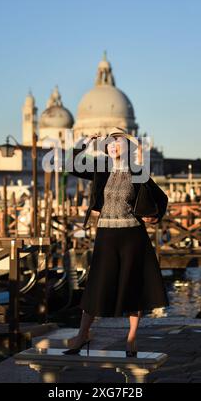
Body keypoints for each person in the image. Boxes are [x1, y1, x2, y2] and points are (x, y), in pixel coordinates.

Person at [63, 127, 169, 356]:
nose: (112, 145)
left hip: (132, 236)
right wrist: (84, 142)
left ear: (128, 147)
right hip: (106, 236)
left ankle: (131, 339)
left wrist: (155, 216)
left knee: (133, 285)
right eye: (110, 142)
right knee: (95, 285)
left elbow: (161, 198)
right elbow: (71, 165)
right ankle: (82, 335)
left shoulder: (138, 172)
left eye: (118, 142)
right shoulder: (101, 169)